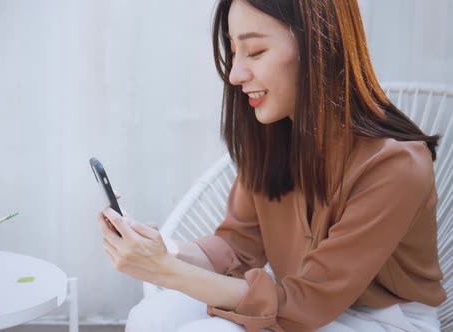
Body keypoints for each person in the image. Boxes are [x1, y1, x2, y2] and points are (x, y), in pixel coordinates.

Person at [96, 0, 447, 331]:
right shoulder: (274, 139)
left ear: (319, 47)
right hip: (297, 303)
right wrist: (160, 250)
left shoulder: (395, 165)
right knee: (153, 316)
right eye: (234, 52)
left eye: (256, 51)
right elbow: (236, 249)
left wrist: (167, 271)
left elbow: (307, 302)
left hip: (384, 321)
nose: (234, 74)